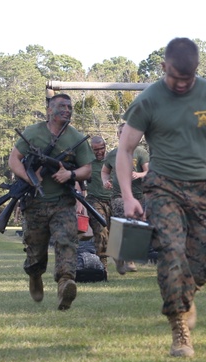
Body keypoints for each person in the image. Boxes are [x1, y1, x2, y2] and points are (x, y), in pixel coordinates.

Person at [118, 37, 206, 358]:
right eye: (175, 77)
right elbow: (126, 149)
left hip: (204, 189)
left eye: (189, 77)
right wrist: (129, 195)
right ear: (163, 67)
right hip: (163, 188)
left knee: (200, 267)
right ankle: (179, 331)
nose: (182, 84)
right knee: (172, 254)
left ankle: (187, 296)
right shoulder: (148, 101)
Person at [8, 93, 94, 311]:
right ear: (49, 110)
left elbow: (87, 169)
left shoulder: (76, 137)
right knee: (35, 253)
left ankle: (66, 283)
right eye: (62, 106)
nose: (67, 110)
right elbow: (13, 159)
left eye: (69, 106)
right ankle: (35, 275)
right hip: (35, 203)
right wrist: (29, 178)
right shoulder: (33, 133)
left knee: (67, 242)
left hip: (63, 202)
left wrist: (70, 175)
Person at [102, 122, 150, 274]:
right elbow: (104, 171)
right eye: (121, 132)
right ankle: (125, 259)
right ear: (118, 135)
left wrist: (140, 174)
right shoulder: (113, 154)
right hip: (118, 195)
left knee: (136, 226)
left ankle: (121, 257)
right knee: (123, 223)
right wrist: (105, 181)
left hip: (137, 196)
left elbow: (148, 171)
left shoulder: (140, 152)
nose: (124, 134)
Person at [85, 135, 113, 270]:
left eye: (101, 148)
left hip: (112, 200)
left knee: (113, 233)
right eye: (95, 150)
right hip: (94, 200)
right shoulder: (88, 162)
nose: (99, 152)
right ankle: (103, 266)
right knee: (101, 232)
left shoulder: (112, 160)